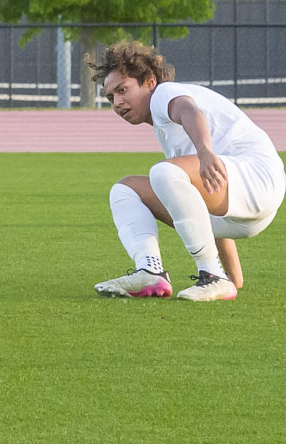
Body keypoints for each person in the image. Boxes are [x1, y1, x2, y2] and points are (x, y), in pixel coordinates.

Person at [91, 42, 285, 301]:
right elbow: (203, 199)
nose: (117, 103)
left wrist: (205, 152)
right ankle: (150, 271)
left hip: (258, 177)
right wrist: (234, 276)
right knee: (126, 190)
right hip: (242, 211)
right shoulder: (165, 129)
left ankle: (211, 276)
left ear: (149, 82)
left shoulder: (164, 93)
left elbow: (190, 111)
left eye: (122, 90)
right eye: (110, 97)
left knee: (164, 174)